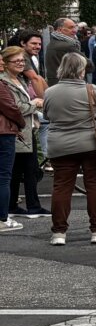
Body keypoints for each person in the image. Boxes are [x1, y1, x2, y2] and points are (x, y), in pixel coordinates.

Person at [40, 53, 96, 246]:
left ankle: (59, 232)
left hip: (59, 144)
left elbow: (47, 115)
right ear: (81, 70)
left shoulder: (50, 92)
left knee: (61, 187)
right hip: (89, 142)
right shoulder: (91, 89)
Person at [0, 45, 46, 224]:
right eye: (16, 61)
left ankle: (13, 206)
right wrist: (35, 103)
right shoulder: (5, 82)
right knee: (24, 170)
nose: (20, 63)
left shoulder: (18, 79)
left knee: (19, 169)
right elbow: (15, 108)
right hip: (15, 130)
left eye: (22, 60)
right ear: (6, 62)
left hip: (23, 129)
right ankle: (28, 207)